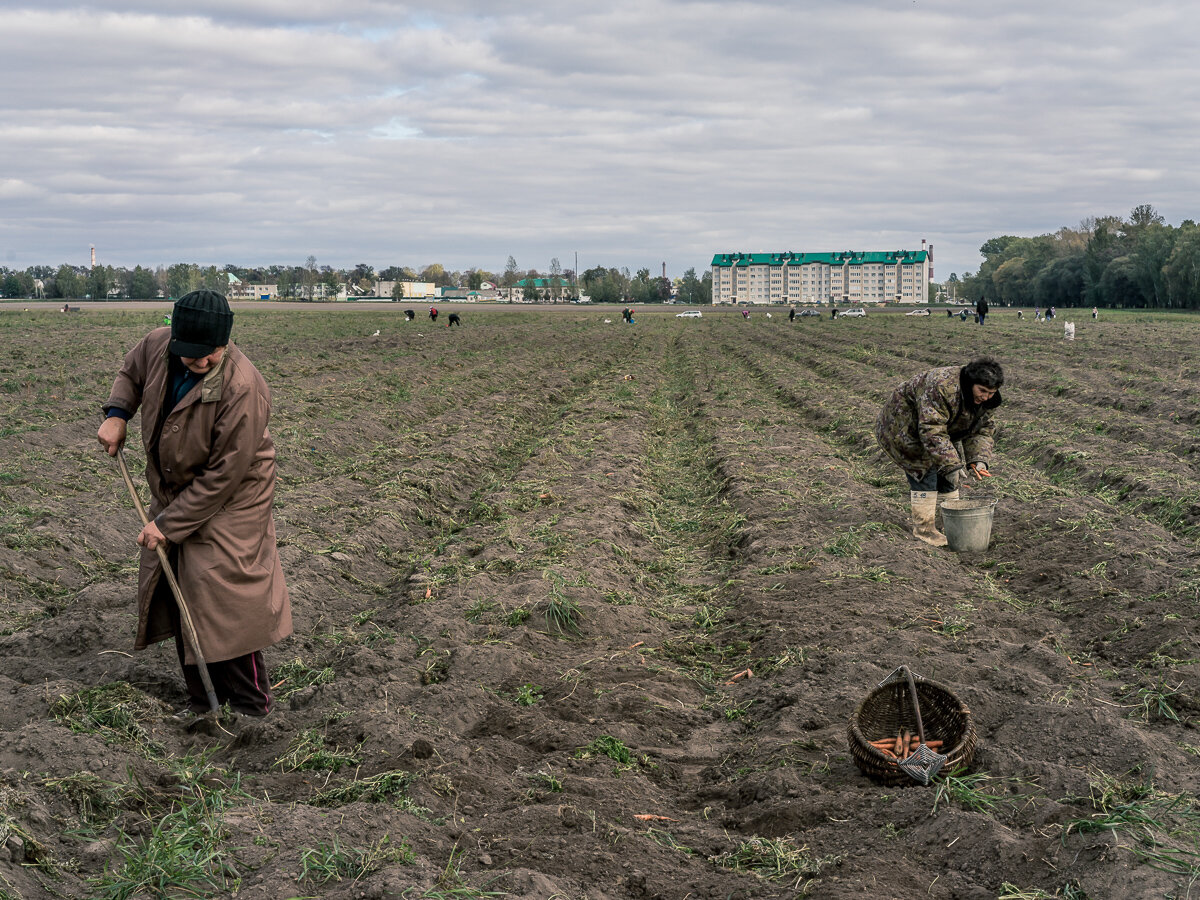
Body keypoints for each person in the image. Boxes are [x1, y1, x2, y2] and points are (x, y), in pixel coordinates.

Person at [96, 289, 291, 718]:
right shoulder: (157, 344)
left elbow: (224, 475)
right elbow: (130, 374)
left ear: (225, 341)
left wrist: (167, 523)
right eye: (191, 355)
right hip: (177, 488)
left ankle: (251, 705)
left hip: (234, 498)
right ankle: (204, 701)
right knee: (176, 580)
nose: (201, 363)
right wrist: (117, 413)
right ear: (176, 339)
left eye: (210, 354)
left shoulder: (244, 387)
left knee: (221, 597)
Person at [875, 357, 1004, 547]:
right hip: (905, 427)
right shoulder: (942, 386)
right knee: (925, 472)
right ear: (970, 384)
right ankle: (925, 531)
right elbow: (931, 429)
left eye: (990, 393)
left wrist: (978, 460)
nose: (985, 397)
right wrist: (951, 464)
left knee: (949, 476)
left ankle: (947, 526)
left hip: (940, 430)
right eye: (982, 391)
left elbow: (981, 430)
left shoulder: (987, 402)